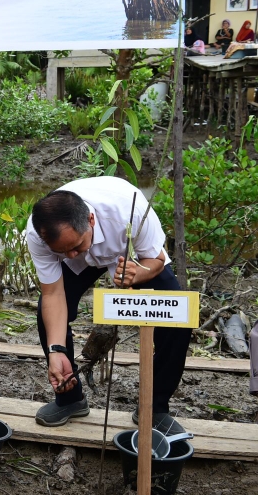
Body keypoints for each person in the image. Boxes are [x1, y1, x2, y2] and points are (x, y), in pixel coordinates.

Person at [25, 177, 190, 435]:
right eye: (62, 251)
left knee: (177, 316)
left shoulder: (131, 210)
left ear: (90, 220)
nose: (70, 255)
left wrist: (139, 273)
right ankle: (70, 399)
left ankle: (154, 407)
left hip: (128, 250)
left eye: (75, 246)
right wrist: (55, 350)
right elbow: (53, 294)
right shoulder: (39, 232)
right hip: (82, 255)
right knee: (45, 316)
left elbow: (156, 259)